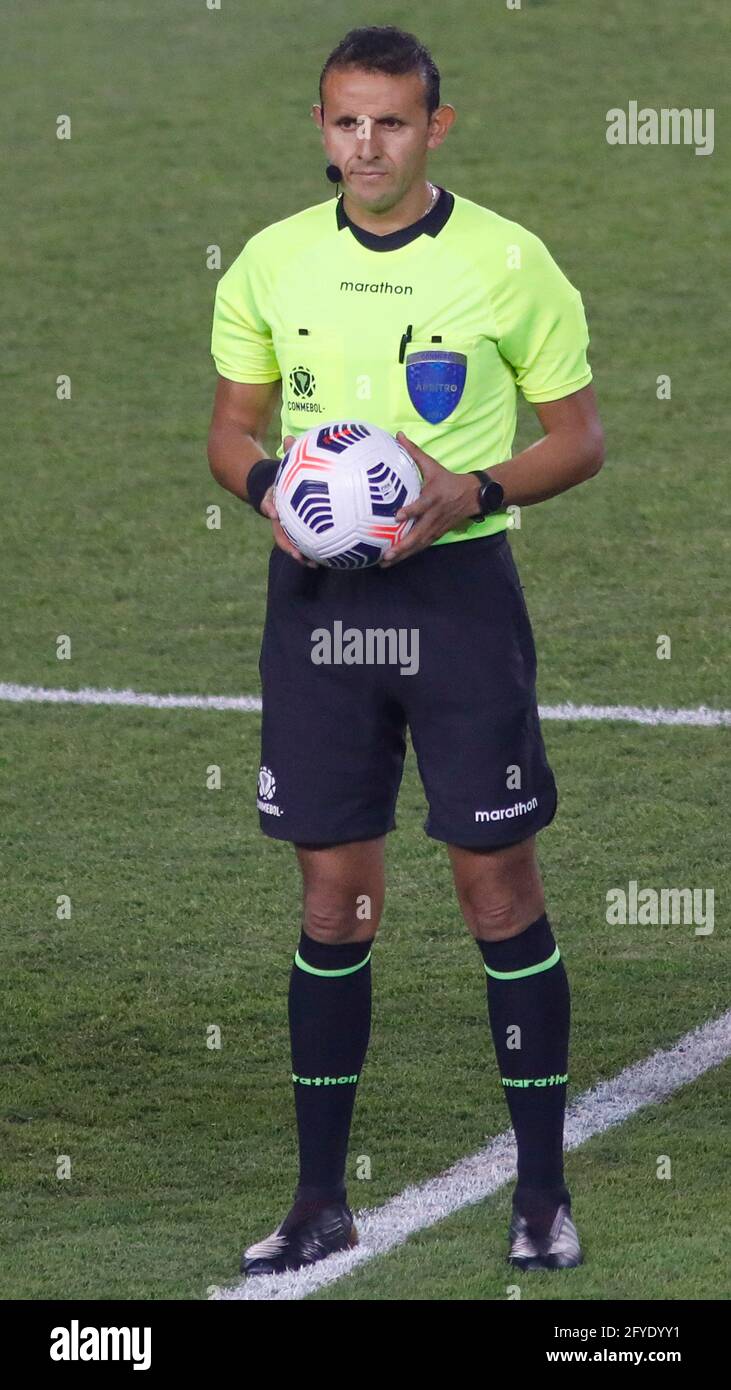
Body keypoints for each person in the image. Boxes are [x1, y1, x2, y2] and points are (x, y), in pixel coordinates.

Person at [208, 24, 604, 1277]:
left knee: (496, 888)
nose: (363, 145)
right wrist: (276, 488)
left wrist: (469, 485)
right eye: (343, 122)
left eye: (389, 121)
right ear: (319, 127)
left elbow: (579, 437)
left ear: (436, 125)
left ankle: (538, 1193)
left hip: (458, 601)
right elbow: (229, 428)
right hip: (316, 606)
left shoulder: (505, 259)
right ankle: (319, 1198)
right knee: (334, 896)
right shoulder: (271, 262)